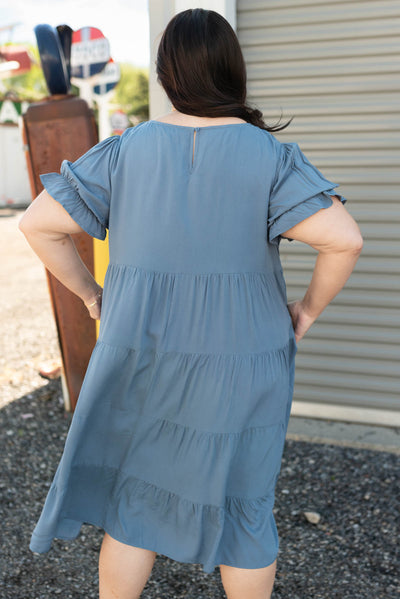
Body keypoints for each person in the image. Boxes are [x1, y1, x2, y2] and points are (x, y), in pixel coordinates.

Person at [19, 8, 363, 599]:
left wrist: (91, 295)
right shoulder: (270, 156)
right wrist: (305, 311)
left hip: (141, 356)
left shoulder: (125, 151)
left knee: (135, 506)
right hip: (244, 360)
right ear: (234, 70)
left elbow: (39, 224)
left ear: (165, 73)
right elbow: (345, 238)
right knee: (244, 511)